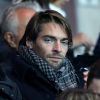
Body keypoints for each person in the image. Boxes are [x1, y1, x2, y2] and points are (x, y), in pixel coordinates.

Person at [8, 10, 78, 100]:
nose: (58, 49)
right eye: (48, 40)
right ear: (30, 42)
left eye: (64, 42)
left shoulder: (77, 76)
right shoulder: (12, 80)